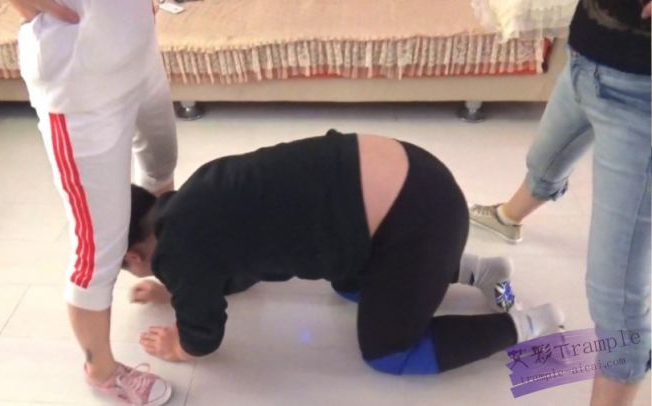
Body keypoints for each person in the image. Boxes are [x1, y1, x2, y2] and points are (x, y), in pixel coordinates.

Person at [122, 130, 564, 375]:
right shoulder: (193, 198)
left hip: (422, 221)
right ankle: (481, 272)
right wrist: (176, 289)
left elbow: (203, 337)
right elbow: (228, 268)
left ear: (134, 258)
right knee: (350, 285)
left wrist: (181, 347)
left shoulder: (180, 254)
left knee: (389, 353)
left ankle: (528, 324)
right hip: (421, 177)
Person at [469, 1, 651, 405]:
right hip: (584, 58)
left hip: (641, 98)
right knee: (544, 161)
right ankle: (507, 218)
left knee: (616, 298)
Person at [9, 0, 178, 404]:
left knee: (161, 169)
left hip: (137, 50)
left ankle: (174, 273)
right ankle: (101, 372)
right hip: (79, 84)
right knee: (98, 246)